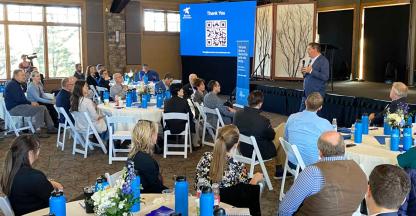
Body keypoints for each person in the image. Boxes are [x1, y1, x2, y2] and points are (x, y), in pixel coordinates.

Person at [279, 131, 367, 215]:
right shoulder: (359, 169)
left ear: (320, 151)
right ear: (344, 148)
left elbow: (285, 209)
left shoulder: (312, 173)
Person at [195, 125, 263, 215]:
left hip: (204, 207)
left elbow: (197, 186)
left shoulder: (204, 157)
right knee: (260, 182)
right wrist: (254, 179)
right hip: (227, 209)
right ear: (236, 144)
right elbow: (246, 193)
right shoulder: (238, 166)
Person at [0, 135, 63, 216]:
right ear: (30, 153)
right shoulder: (35, 177)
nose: (39, 151)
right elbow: (55, 201)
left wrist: (49, 182)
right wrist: (57, 186)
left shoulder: (9, 172)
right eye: (38, 148)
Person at [285, 92, 333, 166]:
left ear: (305, 102)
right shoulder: (325, 123)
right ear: (320, 107)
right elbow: (332, 145)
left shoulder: (292, 117)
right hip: (313, 166)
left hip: (292, 162)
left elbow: (286, 138)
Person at [4, 69, 57, 137]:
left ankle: (50, 127)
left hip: (19, 106)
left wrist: (30, 103)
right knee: (40, 108)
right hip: (14, 108)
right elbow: (19, 99)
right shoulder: (12, 85)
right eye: (22, 75)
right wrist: (31, 103)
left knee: (43, 107)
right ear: (16, 76)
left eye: (24, 75)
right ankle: (38, 131)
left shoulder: (16, 84)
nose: (24, 77)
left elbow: (21, 99)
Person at [234, 90, 277, 161]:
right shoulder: (263, 121)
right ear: (260, 104)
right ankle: (278, 165)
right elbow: (272, 137)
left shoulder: (237, 114)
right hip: (259, 153)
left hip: (243, 149)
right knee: (281, 130)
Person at [129, 120, 168, 193]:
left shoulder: (134, 154)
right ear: (150, 136)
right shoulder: (145, 160)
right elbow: (156, 187)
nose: (157, 135)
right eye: (156, 133)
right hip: (145, 198)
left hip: (138, 194)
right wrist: (172, 192)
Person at [299, 42, 329, 111]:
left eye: (309, 49)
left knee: (312, 117)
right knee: (301, 114)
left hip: (316, 94)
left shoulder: (323, 60)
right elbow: (309, 75)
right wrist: (304, 72)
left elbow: (325, 77)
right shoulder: (311, 60)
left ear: (315, 49)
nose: (307, 51)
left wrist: (311, 71)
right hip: (306, 93)